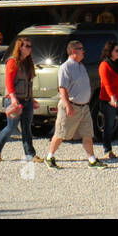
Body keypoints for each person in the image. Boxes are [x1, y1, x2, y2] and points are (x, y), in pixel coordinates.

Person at [46, 40, 105, 169]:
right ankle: (50, 157)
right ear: (73, 51)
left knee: (88, 134)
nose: (83, 51)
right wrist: (68, 105)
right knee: (61, 133)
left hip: (84, 107)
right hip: (71, 106)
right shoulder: (65, 67)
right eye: (81, 48)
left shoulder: (81, 66)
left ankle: (92, 159)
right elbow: (62, 88)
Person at [0, 36, 42, 164]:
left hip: (26, 100)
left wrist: (32, 99)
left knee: (27, 128)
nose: (29, 49)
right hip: (14, 100)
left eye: (30, 46)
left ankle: (30, 154)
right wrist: (13, 99)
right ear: (19, 47)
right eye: (26, 46)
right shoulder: (12, 62)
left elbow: (28, 83)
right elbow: (8, 82)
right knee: (11, 127)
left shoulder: (28, 63)